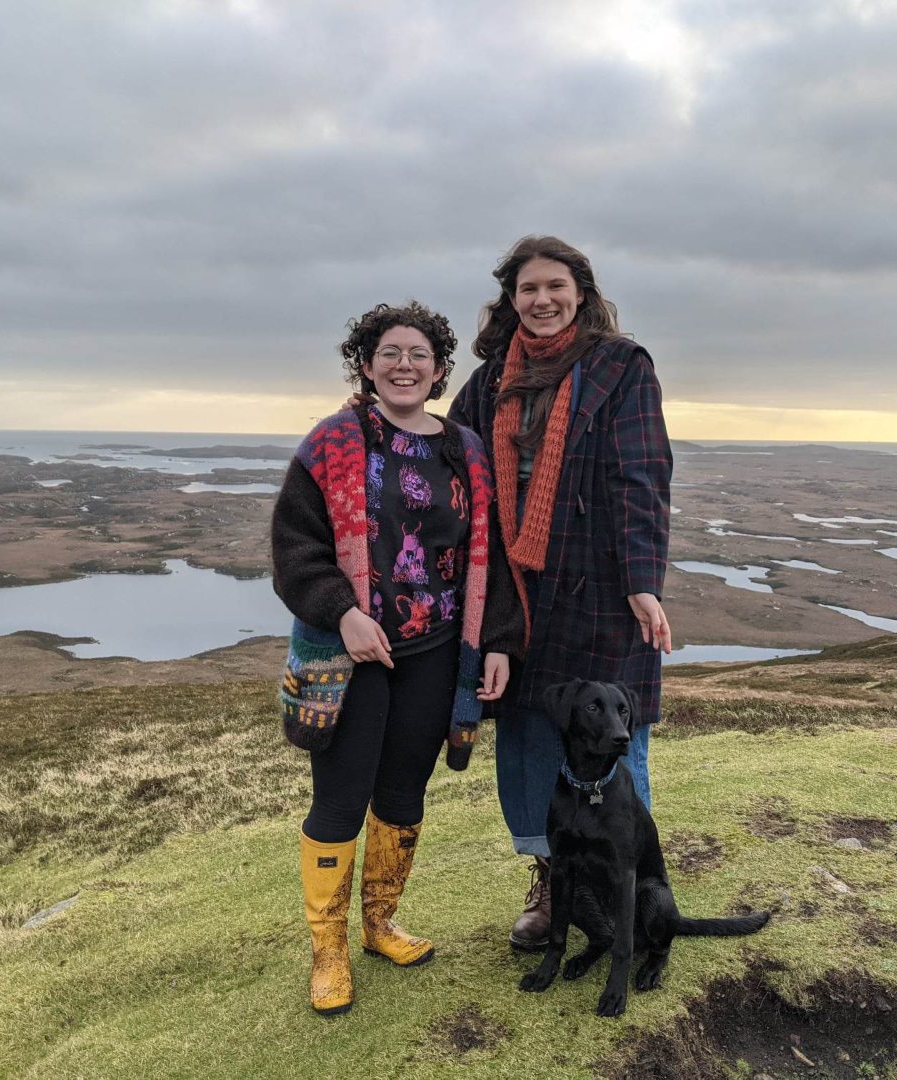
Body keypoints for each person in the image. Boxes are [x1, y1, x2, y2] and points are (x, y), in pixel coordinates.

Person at [271, 301, 522, 1016]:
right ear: (366, 363)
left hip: (437, 651)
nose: (404, 364)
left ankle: (380, 924)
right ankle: (328, 950)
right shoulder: (331, 443)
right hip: (352, 656)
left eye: (419, 354)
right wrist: (343, 614)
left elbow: (489, 556)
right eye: (390, 352)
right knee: (340, 801)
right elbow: (295, 552)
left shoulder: (465, 450)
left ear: (440, 369)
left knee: (405, 795)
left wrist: (496, 642)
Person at [447, 235, 673, 952]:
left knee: (609, 730)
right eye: (527, 290)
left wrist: (643, 582)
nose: (542, 300)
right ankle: (551, 882)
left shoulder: (621, 368)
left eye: (555, 286)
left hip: (600, 585)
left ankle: (623, 884)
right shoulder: (487, 382)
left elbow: (642, 476)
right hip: (516, 591)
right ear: (509, 301)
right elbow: (444, 458)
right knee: (528, 730)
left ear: (582, 289)